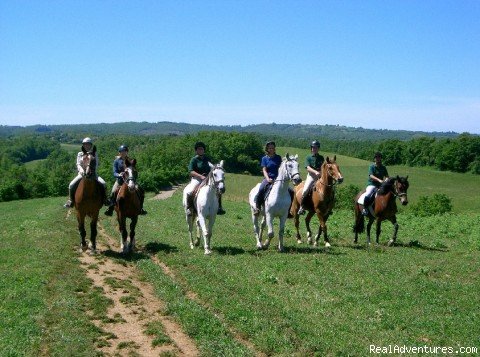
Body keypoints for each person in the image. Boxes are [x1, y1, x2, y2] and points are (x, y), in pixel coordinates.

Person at [183, 141, 225, 216]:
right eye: (199, 149)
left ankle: (219, 207)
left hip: (208, 178)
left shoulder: (207, 159)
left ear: (204, 150)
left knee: (218, 190)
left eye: (202, 149)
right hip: (196, 179)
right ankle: (189, 208)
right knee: (190, 191)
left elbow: (213, 168)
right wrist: (200, 176)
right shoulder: (194, 160)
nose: (200, 150)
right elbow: (191, 171)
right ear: (196, 150)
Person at [63, 137, 108, 208]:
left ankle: (105, 199)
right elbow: (78, 164)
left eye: (88, 144)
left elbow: (96, 164)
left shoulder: (94, 153)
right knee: (71, 185)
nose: (87, 146)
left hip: (93, 174)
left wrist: (92, 171)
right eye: (85, 144)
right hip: (82, 174)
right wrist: (82, 171)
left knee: (103, 183)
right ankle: (71, 200)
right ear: (83, 145)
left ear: (91, 145)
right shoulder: (80, 154)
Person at [104, 145, 147, 216]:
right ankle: (110, 208)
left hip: (130, 181)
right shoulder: (116, 161)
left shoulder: (130, 160)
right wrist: (119, 175)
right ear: (119, 153)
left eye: (124, 151)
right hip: (120, 181)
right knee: (113, 191)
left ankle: (141, 208)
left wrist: (133, 177)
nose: (123, 153)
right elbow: (114, 172)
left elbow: (134, 171)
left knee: (141, 190)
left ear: (127, 152)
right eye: (121, 151)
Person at [253, 141, 282, 215]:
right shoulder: (264, 158)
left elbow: (281, 169)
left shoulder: (278, 158)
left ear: (275, 148)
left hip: (278, 179)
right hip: (268, 178)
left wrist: (278, 178)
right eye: (270, 148)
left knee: (290, 191)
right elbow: (264, 170)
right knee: (261, 189)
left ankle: (290, 210)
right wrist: (268, 179)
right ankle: (257, 208)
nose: (271, 149)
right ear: (267, 149)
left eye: (272, 148)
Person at [297, 140, 324, 215]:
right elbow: (308, 167)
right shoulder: (308, 157)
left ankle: (327, 206)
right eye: (313, 147)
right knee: (305, 190)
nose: (314, 149)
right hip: (311, 176)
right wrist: (315, 172)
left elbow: (323, 167)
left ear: (318, 148)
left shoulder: (321, 158)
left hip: (320, 176)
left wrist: (321, 173)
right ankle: (301, 207)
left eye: (315, 148)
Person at [361, 151, 389, 216]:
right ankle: (365, 209)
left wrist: (386, 180)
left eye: (379, 157)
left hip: (381, 185)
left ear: (381, 158)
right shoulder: (372, 166)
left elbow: (387, 176)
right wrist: (379, 180)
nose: (378, 158)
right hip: (372, 184)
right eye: (376, 157)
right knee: (368, 194)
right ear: (374, 159)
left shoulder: (383, 167)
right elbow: (371, 175)